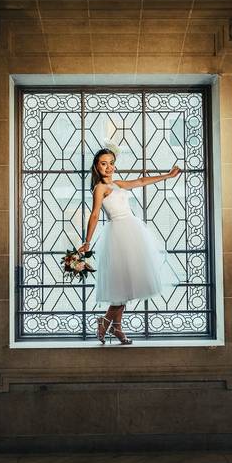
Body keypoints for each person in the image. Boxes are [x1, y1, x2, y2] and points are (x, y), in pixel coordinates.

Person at [78, 145, 181, 344]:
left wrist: (168, 176)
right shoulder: (100, 188)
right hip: (118, 234)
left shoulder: (117, 184)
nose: (108, 167)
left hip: (131, 230)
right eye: (103, 164)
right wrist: (87, 241)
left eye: (111, 163)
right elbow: (94, 214)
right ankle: (107, 324)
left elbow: (142, 181)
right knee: (123, 286)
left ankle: (115, 327)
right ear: (97, 167)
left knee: (127, 285)